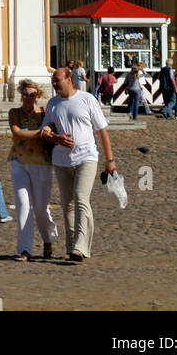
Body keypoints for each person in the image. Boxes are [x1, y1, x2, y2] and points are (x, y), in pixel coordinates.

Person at [39, 66, 116, 262]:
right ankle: (72, 245)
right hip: (61, 160)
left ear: (69, 80)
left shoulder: (87, 99)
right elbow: (46, 128)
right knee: (68, 205)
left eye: (57, 80)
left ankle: (81, 246)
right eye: (53, 81)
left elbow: (102, 131)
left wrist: (110, 160)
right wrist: (54, 136)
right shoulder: (53, 103)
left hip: (86, 157)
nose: (54, 84)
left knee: (81, 198)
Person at [7, 80, 58, 262]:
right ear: (21, 94)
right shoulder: (14, 113)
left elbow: (52, 133)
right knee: (22, 205)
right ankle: (24, 249)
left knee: (40, 208)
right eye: (25, 94)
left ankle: (48, 238)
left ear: (38, 96)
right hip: (19, 161)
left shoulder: (44, 113)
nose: (28, 98)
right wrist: (39, 133)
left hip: (41, 162)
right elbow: (17, 133)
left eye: (32, 95)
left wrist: (47, 132)